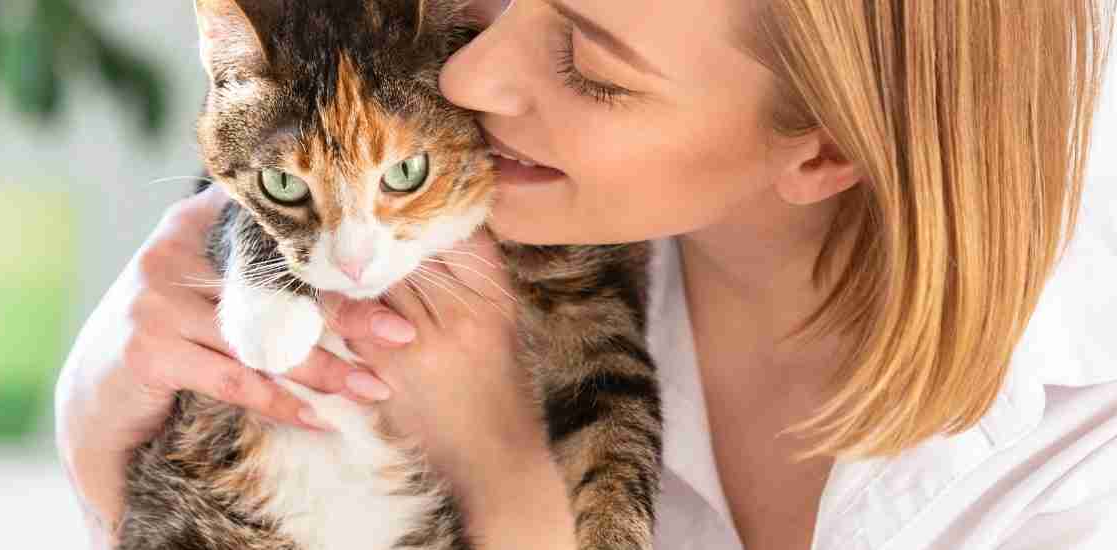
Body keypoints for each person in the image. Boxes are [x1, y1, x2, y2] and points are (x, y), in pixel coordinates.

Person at [54, 1, 1117, 548]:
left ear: (822, 147)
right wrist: (101, 417)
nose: (473, 74)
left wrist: (497, 466)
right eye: (501, 7)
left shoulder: (1081, 467)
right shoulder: (500, 215)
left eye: (590, 71)